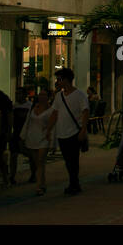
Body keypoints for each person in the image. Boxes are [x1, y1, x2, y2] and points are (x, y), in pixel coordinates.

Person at [49, 67, 89, 195]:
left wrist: (83, 130)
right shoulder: (58, 96)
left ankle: (74, 183)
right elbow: (54, 113)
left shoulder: (80, 95)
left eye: (59, 79)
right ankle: (74, 182)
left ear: (66, 80)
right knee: (67, 160)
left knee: (73, 159)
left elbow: (85, 112)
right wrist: (48, 130)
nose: (57, 82)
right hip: (62, 133)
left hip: (74, 133)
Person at [21, 88, 54, 195]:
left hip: (44, 138)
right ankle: (42, 182)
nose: (41, 97)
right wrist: (23, 136)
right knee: (36, 163)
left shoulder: (51, 110)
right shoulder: (33, 108)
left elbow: (53, 125)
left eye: (44, 95)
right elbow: (27, 122)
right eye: (40, 95)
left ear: (48, 98)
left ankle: (39, 186)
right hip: (32, 137)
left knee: (40, 161)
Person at [9, 87, 31, 184]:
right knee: (13, 155)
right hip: (16, 133)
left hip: (26, 134)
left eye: (19, 93)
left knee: (29, 154)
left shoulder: (30, 106)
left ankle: (34, 172)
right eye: (16, 93)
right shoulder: (14, 106)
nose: (17, 95)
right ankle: (12, 176)